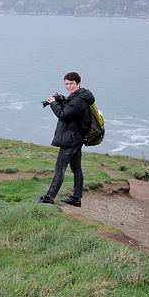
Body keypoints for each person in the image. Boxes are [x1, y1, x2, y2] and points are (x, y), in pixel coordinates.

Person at [38, 72, 95, 207]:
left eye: (71, 84)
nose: (68, 86)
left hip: (71, 139)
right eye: (66, 84)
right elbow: (71, 111)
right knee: (76, 167)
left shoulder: (78, 100)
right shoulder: (79, 97)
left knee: (60, 167)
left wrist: (53, 103)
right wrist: (63, 100)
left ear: (78, 83)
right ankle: (76, 198)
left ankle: (49, 197)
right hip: (77, 138)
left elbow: (63, 115)